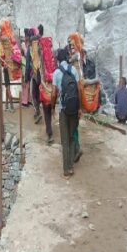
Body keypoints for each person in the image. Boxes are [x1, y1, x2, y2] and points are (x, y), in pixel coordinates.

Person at [53, 48, 80, 177]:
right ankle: (72, 161)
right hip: (74, 108)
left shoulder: (56, 73)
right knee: (71, 136)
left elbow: (53, 93)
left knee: (64, 140)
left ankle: (67, 168)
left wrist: (53, 108)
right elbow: (79, 89)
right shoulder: (74, 70)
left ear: (58, 60)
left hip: (63, 109)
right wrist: (80, 108)